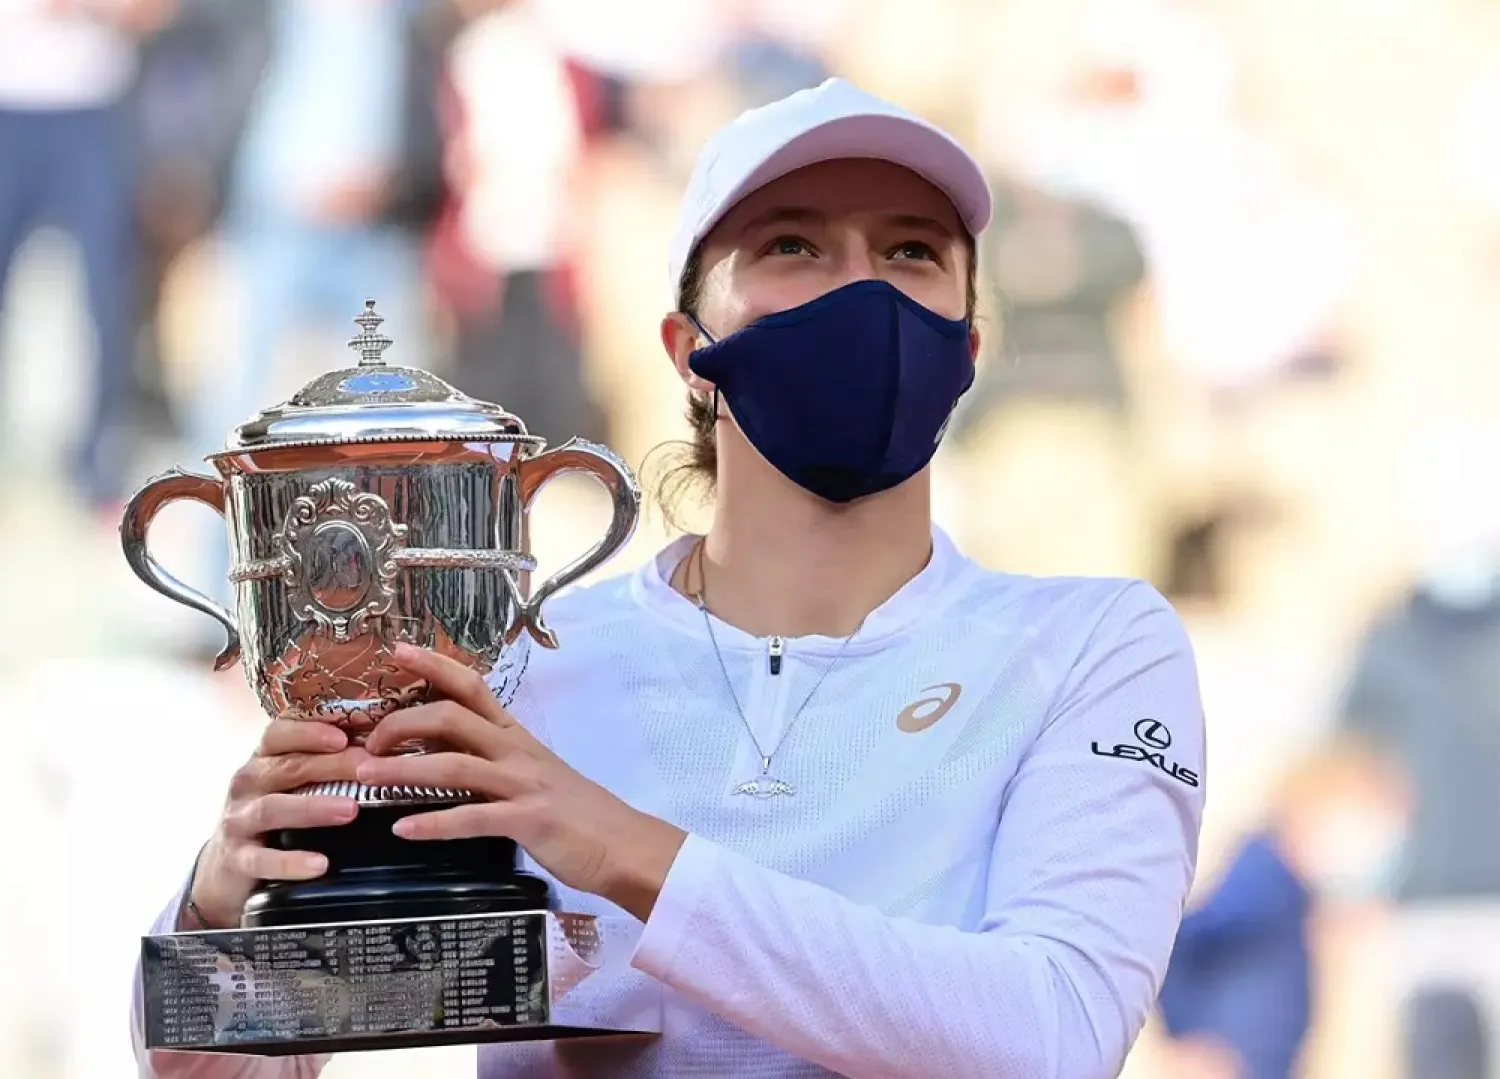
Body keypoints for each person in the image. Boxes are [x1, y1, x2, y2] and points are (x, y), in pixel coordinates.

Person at [131, 77, 1207, 1078]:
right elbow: (220, 1066)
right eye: (794, 245)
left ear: (968, 345)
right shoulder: (514, 670)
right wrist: (222, 910)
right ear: (688, 347)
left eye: (912, 252)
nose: (862, 293)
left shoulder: (1093, 644)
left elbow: (1055, 1031)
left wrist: (625, 850)